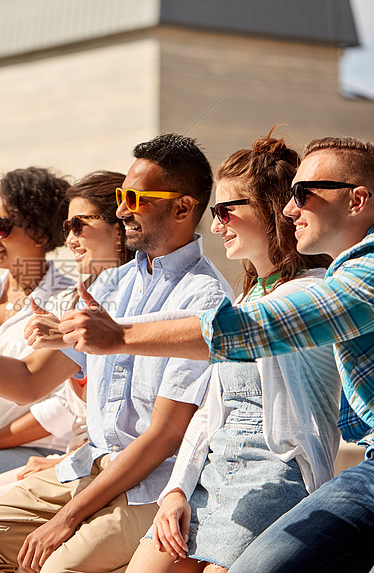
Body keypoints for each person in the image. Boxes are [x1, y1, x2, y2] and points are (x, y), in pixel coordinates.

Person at [58, 136, 374, 573]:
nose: (292, 210)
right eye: (289, 197)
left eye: (302, 194)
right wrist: (177, 488)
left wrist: (119, 335)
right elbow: (213, 404)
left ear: (357, 200)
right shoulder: (324, 279)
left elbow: (263, 329)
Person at [0, 133, 233, 573]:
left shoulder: (204, 299)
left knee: (55, 567)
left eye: (135, 198)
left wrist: (66, 519)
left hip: (151, 485)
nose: (123, 208)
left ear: (183, 208)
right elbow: (26, 382)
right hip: (89, 465)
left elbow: (163, 438)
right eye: (119, 196)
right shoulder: (111, 287)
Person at [124, 134, 341, 573]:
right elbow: (207, 413)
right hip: (212, 472)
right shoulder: (245, 299)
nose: (216, 224)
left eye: (226, 210)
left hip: (276, 474)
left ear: (272, 210)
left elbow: (227, 332)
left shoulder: (312, 295)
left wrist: (114, 334)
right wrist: (176, 491)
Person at [0, 170, 134, 573]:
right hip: (77, 456)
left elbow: (35, 390)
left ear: (120, 231)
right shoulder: (55, 297)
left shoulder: (87, 299)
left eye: (1, 225)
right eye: (67, 226)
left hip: (80, 458)